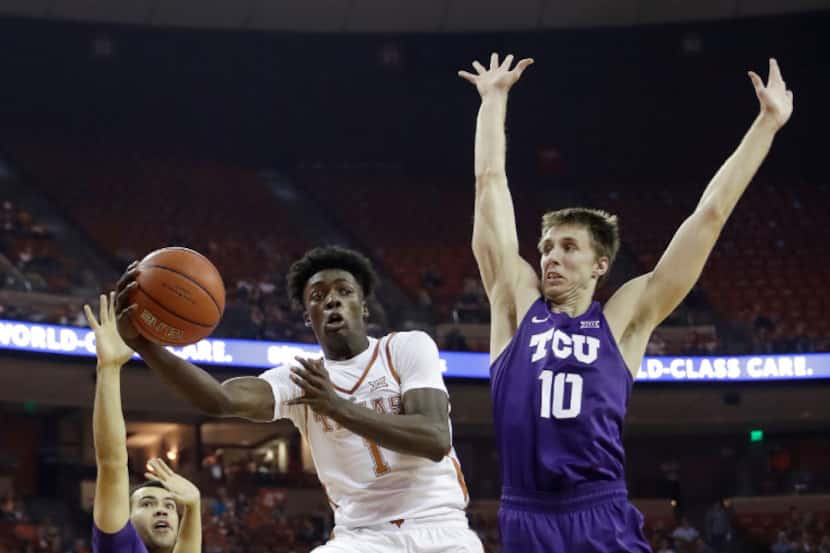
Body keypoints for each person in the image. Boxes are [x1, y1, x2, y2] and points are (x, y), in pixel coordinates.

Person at [459, 52, 792, 552]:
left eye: (568, 248)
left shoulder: (623, 319)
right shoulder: (514, 307)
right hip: (526, 513)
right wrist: (493, 102)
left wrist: (766, 125)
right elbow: (490, 186)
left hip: (599, 511)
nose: (550, 257)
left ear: (600, 266)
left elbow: (710, 216)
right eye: (547, 246)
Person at [113, 246, 483, 552]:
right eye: (319, 297)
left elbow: (435, 439)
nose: (332, 301)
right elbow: (220, 400)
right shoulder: (299, 378)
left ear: (364, 307)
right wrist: (144, 345)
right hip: (363, 539)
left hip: (440, 528)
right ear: (308, 317)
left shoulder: (406, 348)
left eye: (344, 291)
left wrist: (337, 407)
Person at [85, 292, 202, 553]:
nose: (161, 510)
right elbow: (112, 464)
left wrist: (193, 505)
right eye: (147, 504)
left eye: (169, 506)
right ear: (125, 520)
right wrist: (109, 369)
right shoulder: (120, 546)